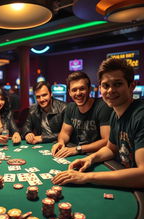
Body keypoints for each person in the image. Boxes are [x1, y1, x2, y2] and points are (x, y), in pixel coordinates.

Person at [52, 58, 144, 188]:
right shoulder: (115, 114)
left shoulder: (140, 116)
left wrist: (86, 177)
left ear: (132, 86)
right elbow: (111, 148)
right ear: (100, 88)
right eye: (106, 85)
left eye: (117, 84)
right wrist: (90, 159)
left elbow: (142, 175)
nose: (110, 90)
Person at [51, 71, 112, 158]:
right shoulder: (70, 107)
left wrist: (78, 149)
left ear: (89, 89)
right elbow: (65, 133)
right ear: (69, 92)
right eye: (74, 90)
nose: (78, 93)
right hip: (79, 153)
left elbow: (106, 140)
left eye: (82, 88)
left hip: (98, 156)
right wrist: (61, 142)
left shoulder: (102, 107)